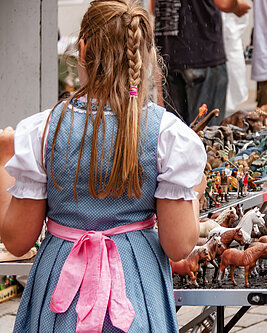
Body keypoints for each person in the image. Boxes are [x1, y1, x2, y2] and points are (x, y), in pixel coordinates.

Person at [0, 1, 207, 332]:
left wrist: (1, 160)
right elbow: (179, 245)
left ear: (82, 50)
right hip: (137, 286)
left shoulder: (40, 131)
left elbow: (17, 241)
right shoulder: (168, 136)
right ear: (145, 55)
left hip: (60, 284)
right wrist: (193, 194)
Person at [152, 0, 250, 126]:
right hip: (202, 51)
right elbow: (225, 3)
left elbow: (152, 7)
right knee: (207, 135)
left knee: (177, 134)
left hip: (169, 52)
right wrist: (237, 7)